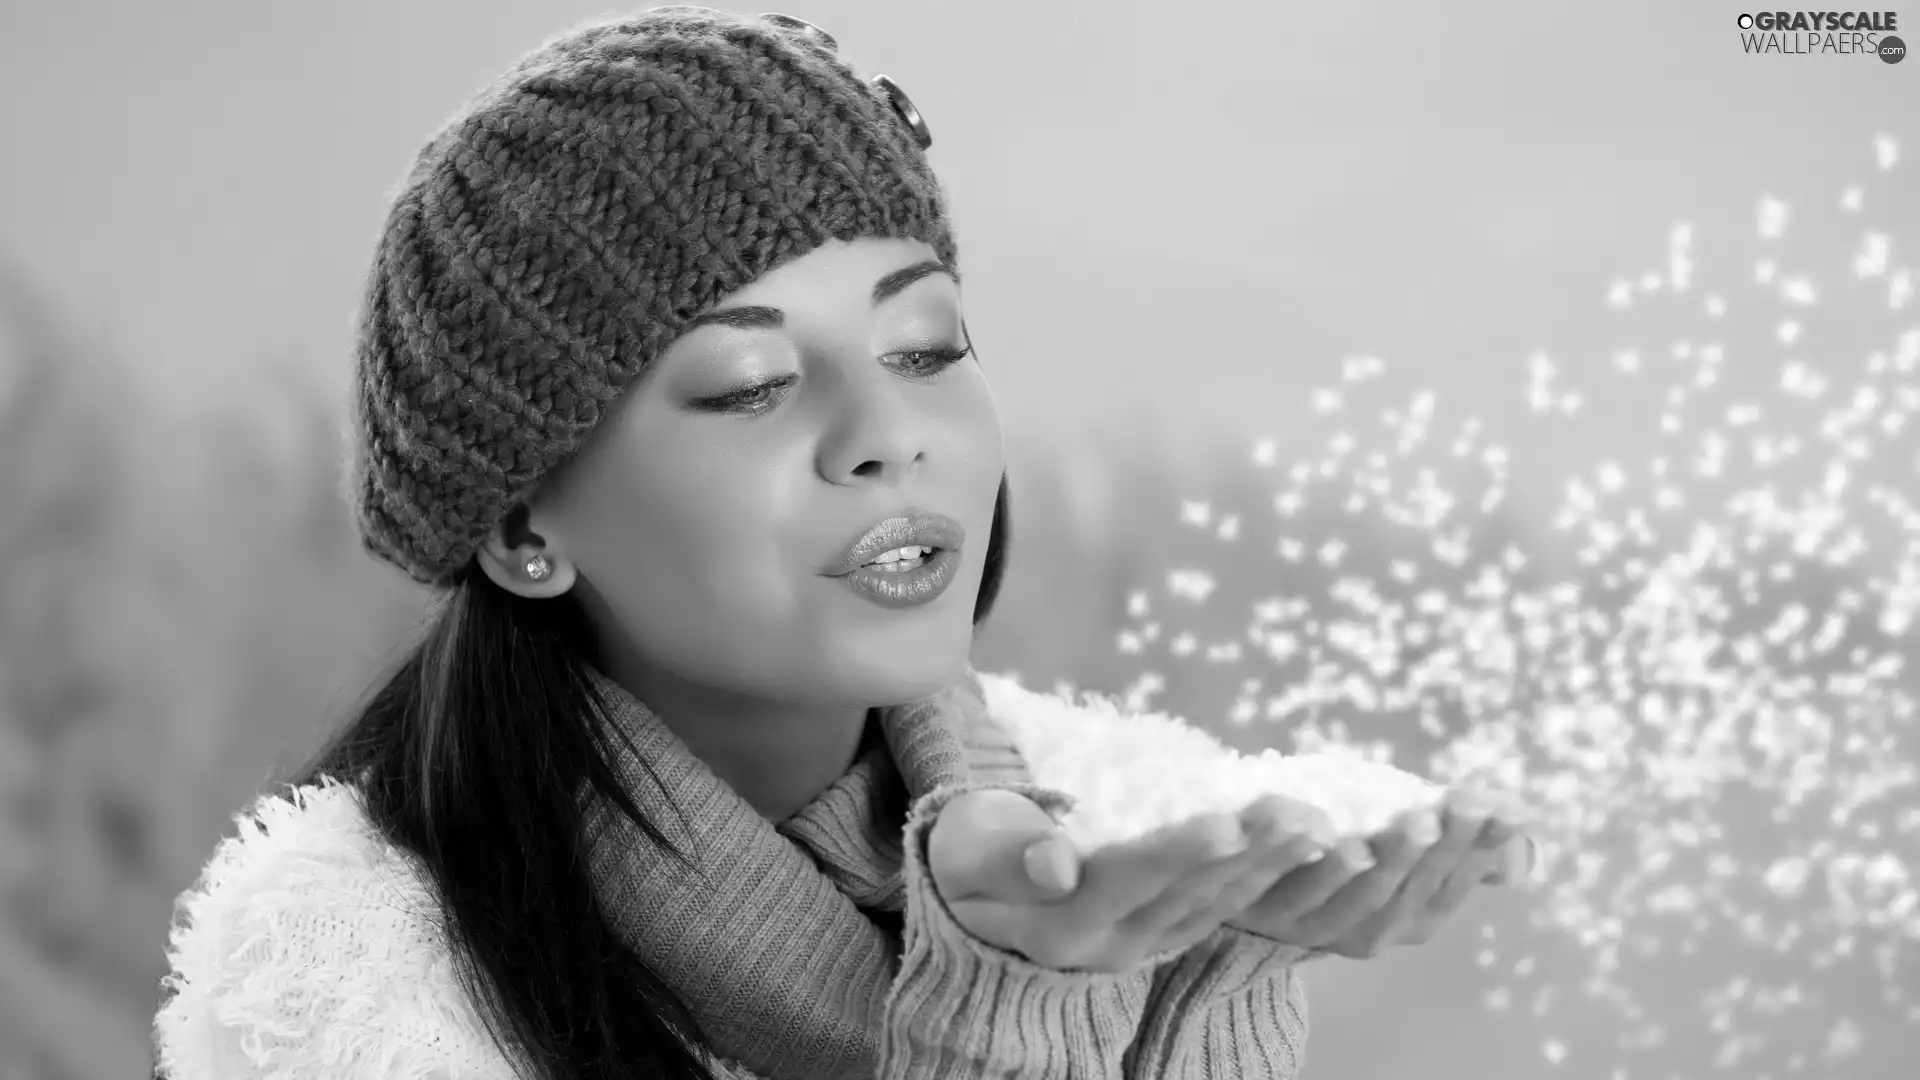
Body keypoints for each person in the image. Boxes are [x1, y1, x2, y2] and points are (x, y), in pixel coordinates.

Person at [150, 7, 1536, 1079]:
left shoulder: (1120, 822)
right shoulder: (347, 976)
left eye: (928, 345)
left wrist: (1203, 991)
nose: (890, 431)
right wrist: (1008, 1006)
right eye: (753, 385)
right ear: (522, 526)